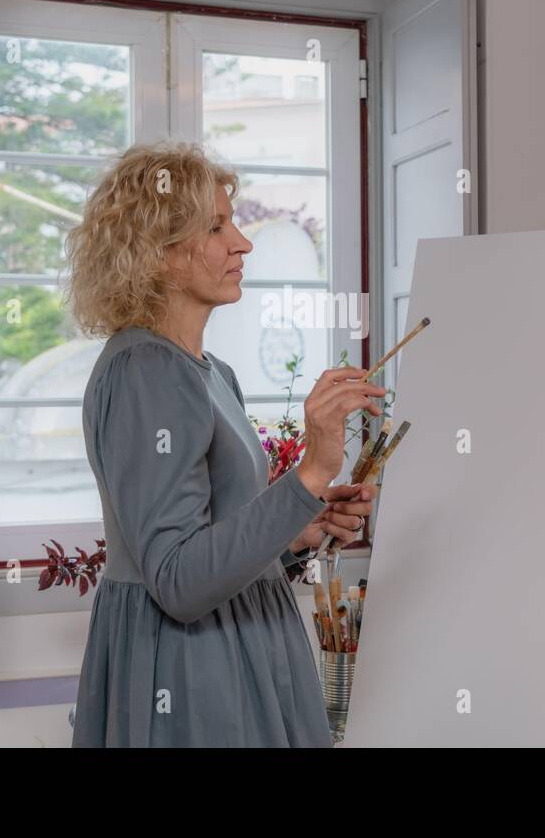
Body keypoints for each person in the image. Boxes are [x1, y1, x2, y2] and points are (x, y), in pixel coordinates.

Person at [66, 141, 386, 747]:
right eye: (215, 227)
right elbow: (180, 582)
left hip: (239, 646)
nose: (242, 242)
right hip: (194, 672)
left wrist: (298, 530)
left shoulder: (210, 371)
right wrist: (312, 472)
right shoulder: (146, 372)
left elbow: (216, 543)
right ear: (157, 253)